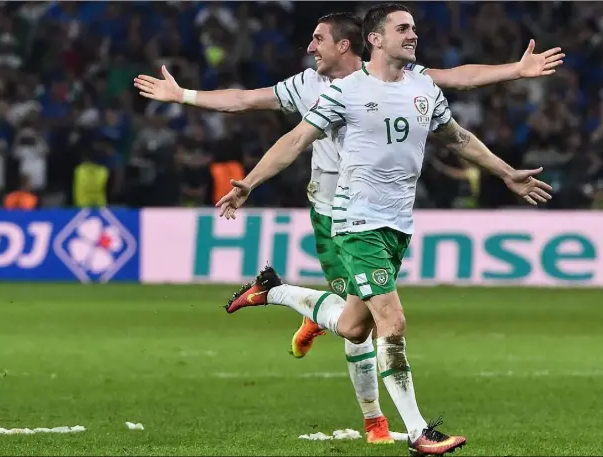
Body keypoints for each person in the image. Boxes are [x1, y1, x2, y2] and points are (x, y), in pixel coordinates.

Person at [135, 11, 562, 447]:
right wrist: (250, 179)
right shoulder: (338, 92)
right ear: (374, 39)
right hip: (352, 219)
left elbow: (458, 135)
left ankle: (275, 292)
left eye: (414, 28)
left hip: (397, 223)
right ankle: (415, 431)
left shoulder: (421, 84)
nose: (414, 34)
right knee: (390, 322)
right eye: (404, 28)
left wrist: (506, 171)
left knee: (355, 326)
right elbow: (291, 137)